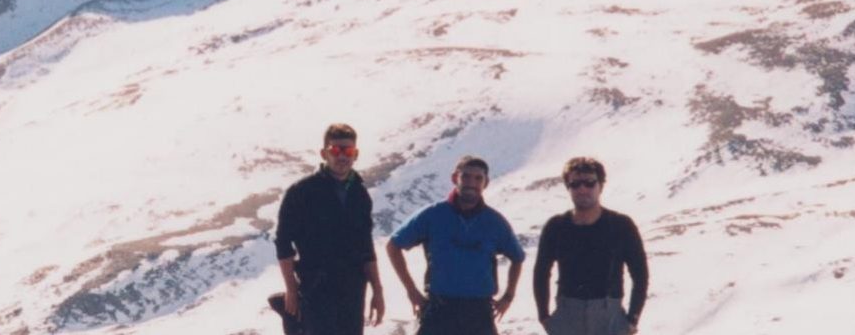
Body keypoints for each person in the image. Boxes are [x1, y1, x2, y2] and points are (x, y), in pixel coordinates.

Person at [386, 156, 526, 335]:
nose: (471, 183)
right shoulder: (433, 215)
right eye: (466, 176)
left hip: (479, 314)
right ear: (455, 178)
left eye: (478, 178)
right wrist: (411, 291)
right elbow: (393, 245)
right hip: (439, 310)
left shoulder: (495, 222)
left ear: (486, 183)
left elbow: (517, 258)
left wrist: (508, 296)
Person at [275, 123, 387, 334]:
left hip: (353, 289)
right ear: (324, 153)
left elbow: (366, 247)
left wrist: (378, 291)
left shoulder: (360, 195)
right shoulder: (301, 192)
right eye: (335, 150)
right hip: (316, 287)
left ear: (356, 154)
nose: (342, 156)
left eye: (348, 151)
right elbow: (283, 242)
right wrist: (291, 289)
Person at [532, 157, 649, 335]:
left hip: (610, 316)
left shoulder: (620, 225)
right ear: (568, 188)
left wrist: (632, 319)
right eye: (575, 184)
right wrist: (544, 317)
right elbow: (541, 272)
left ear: (600, 186)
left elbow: (640, 274)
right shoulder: (556, 226)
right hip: (567, 316)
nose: (582, 189)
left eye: (589, 183)